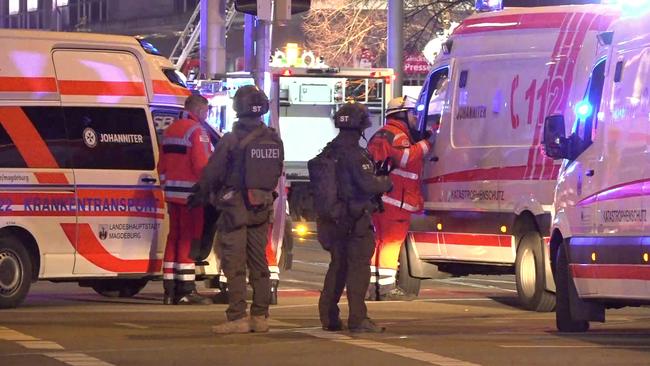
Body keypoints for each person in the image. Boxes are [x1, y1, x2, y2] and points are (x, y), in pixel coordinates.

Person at [193, 85, 284, 334]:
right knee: (260, 262)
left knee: (234, 263)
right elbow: (276, 170)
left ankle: (237, 317)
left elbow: (213, 172)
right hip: (262, 205)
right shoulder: (274, 138)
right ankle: (260, 316)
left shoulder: (231, 140)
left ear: (238, 108)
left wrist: (202, 192)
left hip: (235, 208)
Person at [316, 102, 392, 333]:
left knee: (337, 266)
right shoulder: (356, 154)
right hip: (356, 219)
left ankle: (329, 316)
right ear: (361, 125)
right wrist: (386, 181)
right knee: (358, 269)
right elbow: (368, 184)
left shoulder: (329, 150)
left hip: (334, 219)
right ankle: (358, 318)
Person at [366, 96, 435, 301]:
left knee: (379, 243)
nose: (415, 118)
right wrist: (426, 144)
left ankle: (374, 288)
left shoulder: (382, 134)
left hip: (382, 199)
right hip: (396, 200)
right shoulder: (398, 136)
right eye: (413, 113)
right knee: (391, 243)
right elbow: (405, 158)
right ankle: (386, 290)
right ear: (402, 114)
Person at [159, 94, 213, 305]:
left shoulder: (170, 129)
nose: (206, 116)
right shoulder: (197, 131)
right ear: (199, 110)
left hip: (172, 194)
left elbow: (161, 166)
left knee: (174, 238)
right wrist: (209, 188)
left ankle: (169, 289)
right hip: (192, 195)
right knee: (189, 240)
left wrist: (167, 186)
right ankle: (186, 290)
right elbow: (202, 166)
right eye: (206, 112)